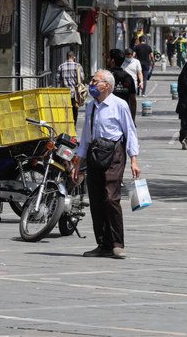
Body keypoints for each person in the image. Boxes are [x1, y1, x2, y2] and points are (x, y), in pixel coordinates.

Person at [73, 69, 140, 259]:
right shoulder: (91, 106)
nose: (91, 84)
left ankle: (117, 243)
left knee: (111, 197)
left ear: (107, 86)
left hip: (114, 153)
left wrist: (134, 159)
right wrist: (79, 161)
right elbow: (86, 136)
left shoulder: (119, 105)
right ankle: (103, 243)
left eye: (95, 81)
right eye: (92, 81)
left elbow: (130, 132)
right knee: (96, 198)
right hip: (95, 152)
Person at [107, 48, 137, 122]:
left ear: (112, 61)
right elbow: (133, 100)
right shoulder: (128, 77)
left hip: (108, 114)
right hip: (123, 116)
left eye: (109, 58)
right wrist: (132, 120)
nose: (107, 60)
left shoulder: (105, 76)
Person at [56, 50, 84, 125]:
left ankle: (67, 126)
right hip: (75, 92)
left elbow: (58, 80)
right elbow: (81, 78)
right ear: (73, 57)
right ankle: (73, 126)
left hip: (65, 92)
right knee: (75, 109)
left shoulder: (61, 66)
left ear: (67, 57)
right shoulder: (78, 66)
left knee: (66, 110)